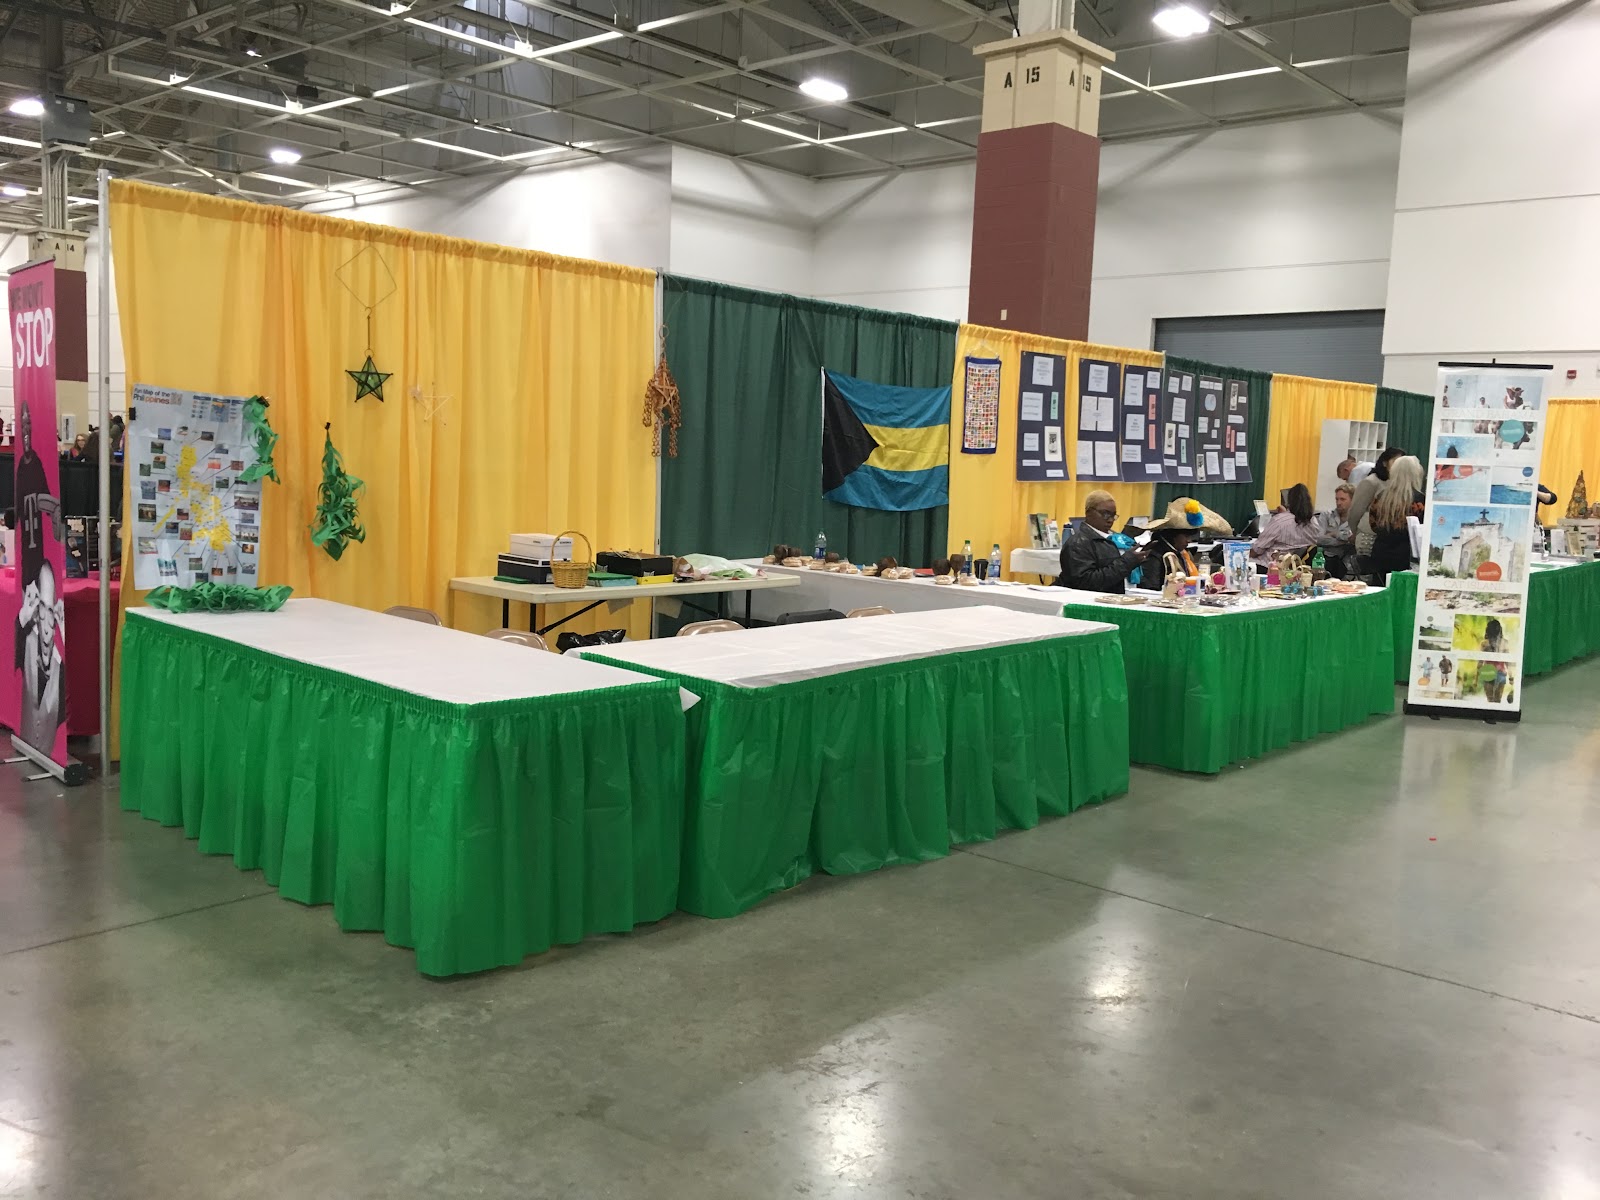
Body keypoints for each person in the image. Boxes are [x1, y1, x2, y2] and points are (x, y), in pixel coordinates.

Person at [1059, 489, 1148, 594]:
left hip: (1122, 597)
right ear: (1089, 513)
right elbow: (1085, 583)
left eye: (1113, 515)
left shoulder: (1116, 539)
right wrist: (1126, 563)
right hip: (1092, 601)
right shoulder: (1078, 543)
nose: (1110, 520)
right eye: (1105, 514)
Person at [1137, 498, 1234, 593]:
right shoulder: (1154, 554)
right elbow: (1150, 589)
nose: (1189, 540)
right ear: (1172, 535)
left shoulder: (1181, 553)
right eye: (1186, 536)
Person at [18, 558, 64, 753]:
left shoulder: (60, 666)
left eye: (51, 611)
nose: (47, 625)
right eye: (42, 609)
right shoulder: (25, 643)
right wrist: (24, 616)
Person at [1347, 446, 1406, 578]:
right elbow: (1355, 511)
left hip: (1387, 540)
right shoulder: (1371, 482)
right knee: (1370, 575)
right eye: (1395, 461)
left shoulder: (1397, 483)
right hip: (1368, 535)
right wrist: (1356, 531)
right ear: (1385, 463)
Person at [1367, 454, 1425, 584]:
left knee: (1381, 591)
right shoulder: (1420, 501)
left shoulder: (1380, 497)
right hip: (1407, 556)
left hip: (1381, 554)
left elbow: (1373, 525)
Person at [1250, 483, 1318, 562]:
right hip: (1297, 564)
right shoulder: (1313, 521)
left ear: (1289, 501)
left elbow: (1257, 550)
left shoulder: (1279, 521)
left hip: (1270, 565)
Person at [1314, 482, 1357, 577]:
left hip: (1346, 562)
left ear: (1353, 500)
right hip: (1325, 558)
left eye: (1342, 499)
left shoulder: (1357, 519)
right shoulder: (1326, 515)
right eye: (1337, 499)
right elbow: (1318, 539)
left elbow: (1354, 539)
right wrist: (1342, 541)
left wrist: (1335, 534)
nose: (1338, 503)